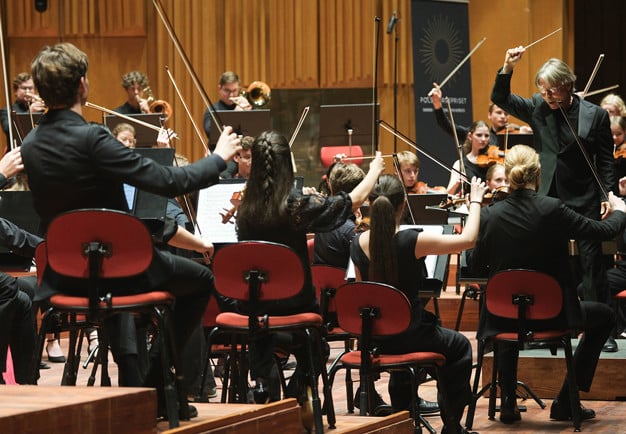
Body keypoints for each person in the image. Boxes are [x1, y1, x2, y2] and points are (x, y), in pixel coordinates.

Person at [20, 42, 241, 419]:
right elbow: (169, 180)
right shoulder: (92, 139)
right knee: (201, 278)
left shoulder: (31, 144)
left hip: (64, 273)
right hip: (120, 270)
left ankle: (147, 386)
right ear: (83, 86)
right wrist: (218, 158)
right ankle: (155, 385)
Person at [469, 144, 626, 424]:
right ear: (538, 173)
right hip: (554, 315)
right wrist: (620, 210)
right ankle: (566, 401)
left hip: (501, 317)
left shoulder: (491, 215)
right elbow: (603, 231)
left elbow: (476, 265)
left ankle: (507, 402)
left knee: (510, 304)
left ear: (508, 175)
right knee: (605, 317)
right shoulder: (552, 209)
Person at [235, 130, 384, 404]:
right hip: (295, 304)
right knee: (317, 347)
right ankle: (295, 399)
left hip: (255, 306)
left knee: (262, 332)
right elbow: (351, 202)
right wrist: (374, 170)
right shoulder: (294, 206)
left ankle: (264, 391)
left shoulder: (245, 209)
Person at [491, 48, 617, 353]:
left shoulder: (595, 115)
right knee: (546, 261)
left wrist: (606, 195)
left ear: (567, 84)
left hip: (584, 198)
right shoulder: (537, 107)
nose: (545, 93)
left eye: (551, 88)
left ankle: (599, 329)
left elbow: (605, 162)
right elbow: (501, 98)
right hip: (545, 198)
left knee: (591, 264)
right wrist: (508, 66)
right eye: (541, 88)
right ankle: (548, 323)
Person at [350, 173, 487, 434]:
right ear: (403, 205)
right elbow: (468, 240)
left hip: (378, 337)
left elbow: (363, 294)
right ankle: (451, 426)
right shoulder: (412, 240)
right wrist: (476, 202)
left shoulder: (357, 244)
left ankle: (405, 419)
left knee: (404, 362)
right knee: (458, 347)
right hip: (412, 335)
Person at [429, 82, 532, 150]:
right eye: (499, 112)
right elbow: (448, 127)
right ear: (489, 115)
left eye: (506, 113)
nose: (503, 116)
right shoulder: (479, 134)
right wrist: (438, 105)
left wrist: (527, 135)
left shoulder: (516, 134)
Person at [0, 72, 46, 150]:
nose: (27, 92)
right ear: (15, 91)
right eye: (24, 88)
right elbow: (9, 130)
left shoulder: (41, 109)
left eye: (30, 88)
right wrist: (30, 112)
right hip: (18, 152)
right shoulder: (6, 111)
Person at [203, 71, 251, 145]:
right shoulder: (212, 110)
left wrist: (249, 113)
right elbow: (211, 133)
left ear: (239, 88)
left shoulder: (244, 107)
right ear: (220, 89)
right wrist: (235, 115)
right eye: (227, 90)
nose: (231, 95)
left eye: (234, 90)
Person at [445, 121, 490, 196]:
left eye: (486, 136)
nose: (483, 139)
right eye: (479, 135)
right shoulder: (460, 163)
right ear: (470, 136)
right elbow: (448, 194)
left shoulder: (493, 161)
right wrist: (456, 184)